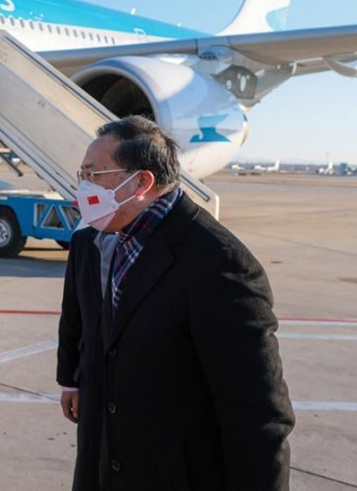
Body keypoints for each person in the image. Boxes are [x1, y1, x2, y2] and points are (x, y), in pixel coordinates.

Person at [56, 116, 295, 490]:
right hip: (103, 462)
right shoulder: (94, 240)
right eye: (82, 174)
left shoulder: (219, 263)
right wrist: (71, 378)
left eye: (94, 174)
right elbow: (78, 317)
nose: (84, 186)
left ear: (140, 183)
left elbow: (258, 414)